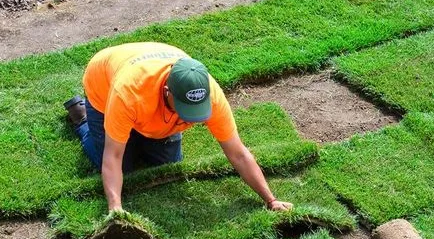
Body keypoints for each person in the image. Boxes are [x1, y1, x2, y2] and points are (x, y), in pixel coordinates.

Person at [64, 42, 294, 214]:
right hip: (104, 86)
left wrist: (270, 200)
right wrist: (116, 209)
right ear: (167, 91)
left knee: (168, 165)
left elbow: (239, 154)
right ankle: (83, 119)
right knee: (125, 164)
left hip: (145, 84)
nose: (188, 118)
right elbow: (112, 157)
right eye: (183, 109)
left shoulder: (210, 94)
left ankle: (138, 133)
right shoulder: (129, 94)